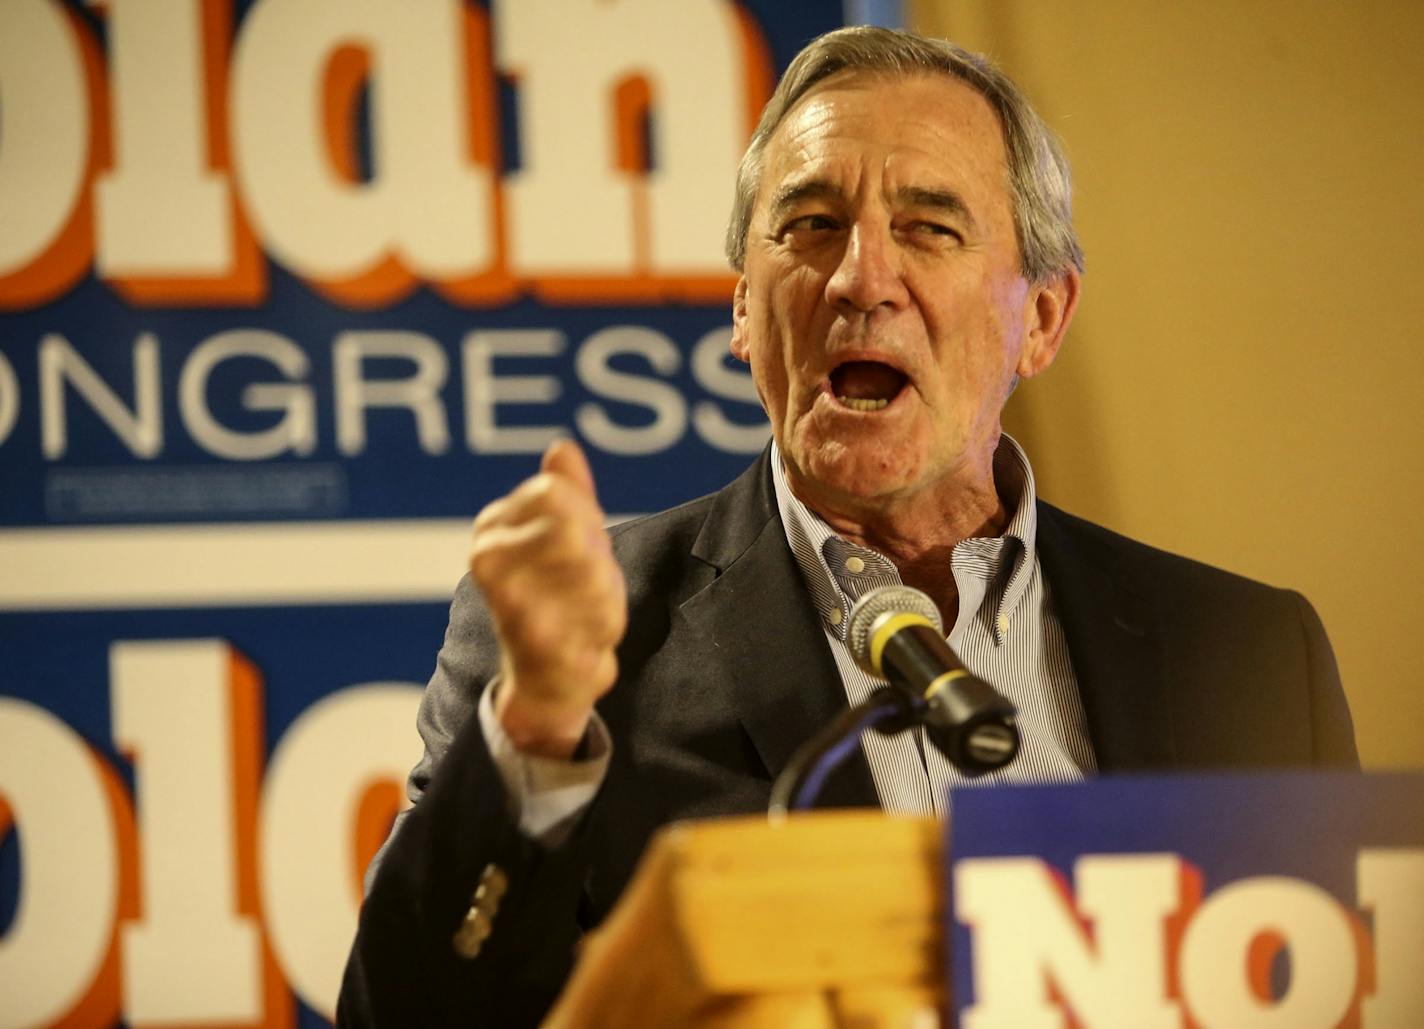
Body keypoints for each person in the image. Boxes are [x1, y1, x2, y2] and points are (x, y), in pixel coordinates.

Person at [338, 25, 1356, 1026]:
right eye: (809, 225)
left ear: (1040, 318)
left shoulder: (1249, 655)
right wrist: (534, 727)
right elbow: (404, 1015)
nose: (859, 278)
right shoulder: (588, 650)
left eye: (928, 227)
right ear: (743, 308)